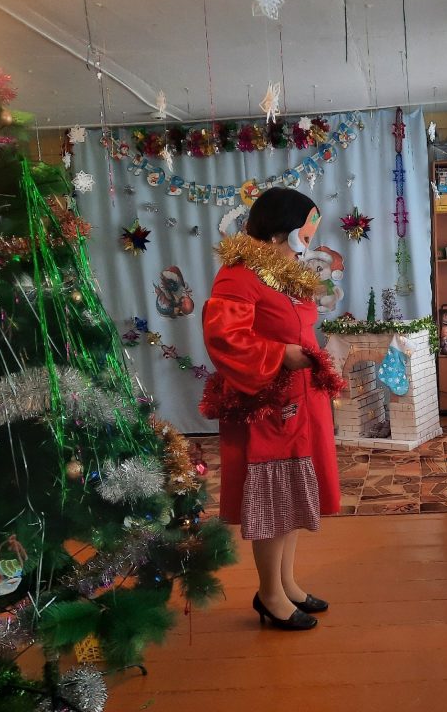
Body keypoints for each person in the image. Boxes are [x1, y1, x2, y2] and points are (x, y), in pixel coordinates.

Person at [200, 188, 342, 631]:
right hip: (267, 407)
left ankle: (287, 584)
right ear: (282, 231)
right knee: (275, 500)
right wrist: (281, 355)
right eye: (305, 234)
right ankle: (269, 595)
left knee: (294, 496)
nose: (307, 244)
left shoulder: (284, 272)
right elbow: (225, 338)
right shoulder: (238, 275)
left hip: (300, 401)